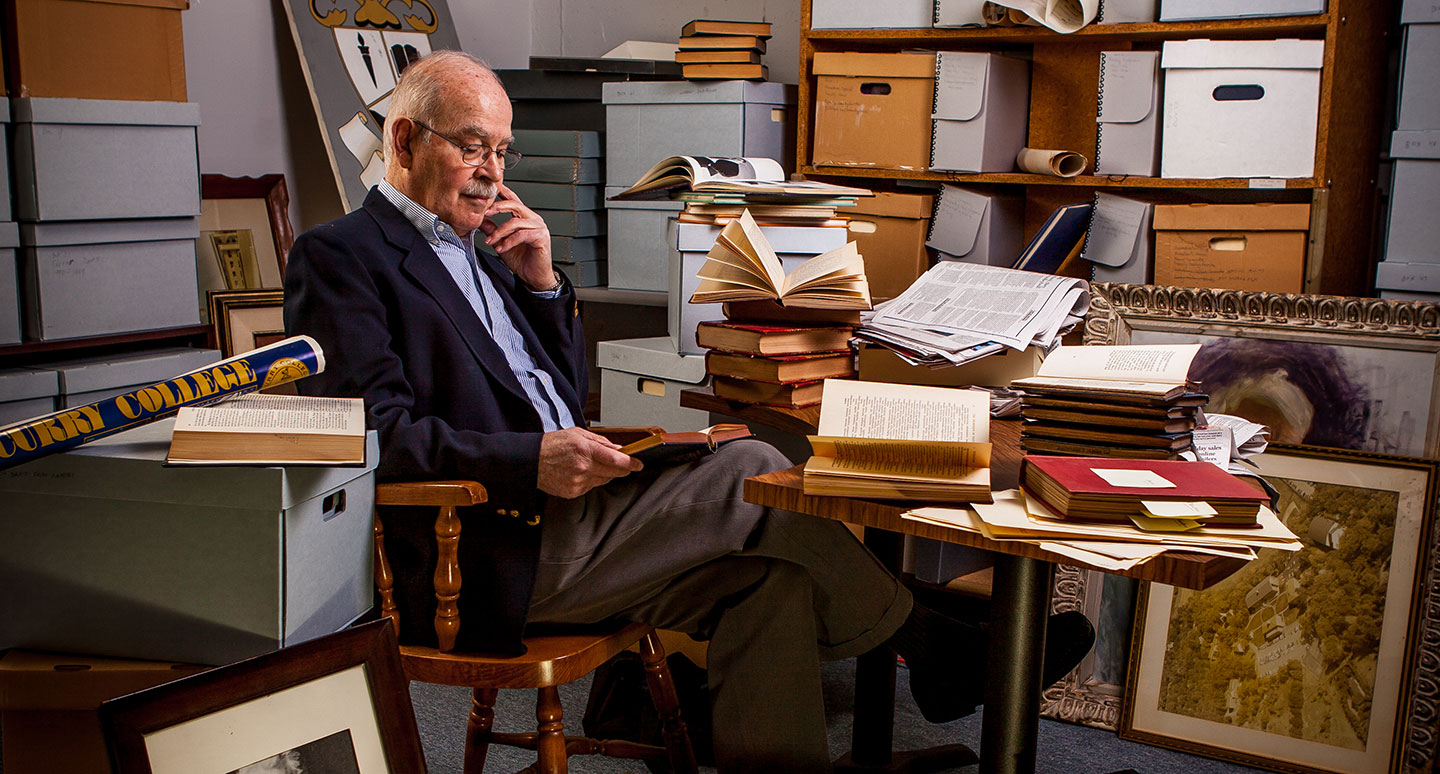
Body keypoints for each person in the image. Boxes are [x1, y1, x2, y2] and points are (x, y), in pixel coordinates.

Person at [284, 50, 1091, 772]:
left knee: (765, 578)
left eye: (501, 149)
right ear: (403, 142)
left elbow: (559, 402)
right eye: (471, 145)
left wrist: (540, 286)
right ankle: (937, 649)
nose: (492, 171)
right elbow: (363, 435)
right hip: (487, 545)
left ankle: (924, 667)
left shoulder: (482, 247)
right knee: (753, 467)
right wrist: (527, 462)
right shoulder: (343, 256)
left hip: (570, 517)